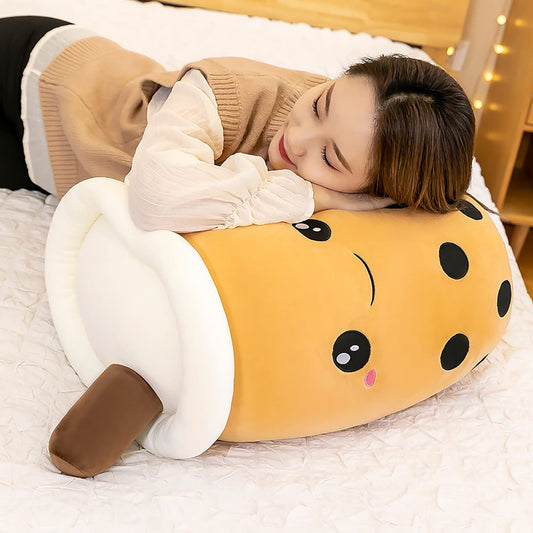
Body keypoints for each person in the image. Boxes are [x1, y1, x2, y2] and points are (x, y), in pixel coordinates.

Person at [0, 16, 475, 234]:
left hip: (40, 165)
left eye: (330, 158)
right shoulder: (226, 89)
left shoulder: (375, 186)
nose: (297, 139)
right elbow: (155, 202)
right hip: (35, 75)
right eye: (319, 104)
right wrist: (319, 195)